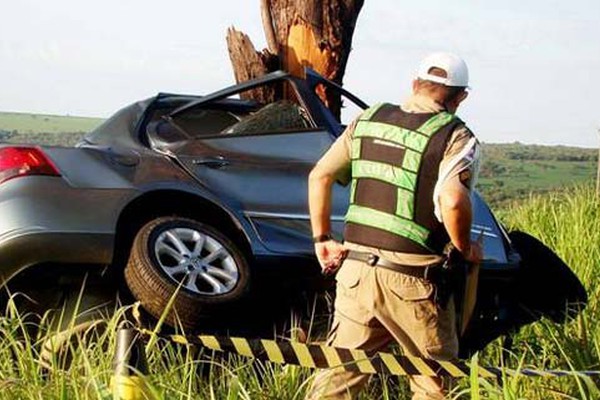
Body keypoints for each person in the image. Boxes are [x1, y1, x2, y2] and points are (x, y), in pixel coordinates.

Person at [305, 52, 483, 400]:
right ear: (460, 97)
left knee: (336, 381)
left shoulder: (367, 120)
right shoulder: (457, 136)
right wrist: (464, 249)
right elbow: (452, 200)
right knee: (435, 384)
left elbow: (320, 175)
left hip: (355, 273)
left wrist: (321, 238)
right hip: (416, 283)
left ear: (414, 84)